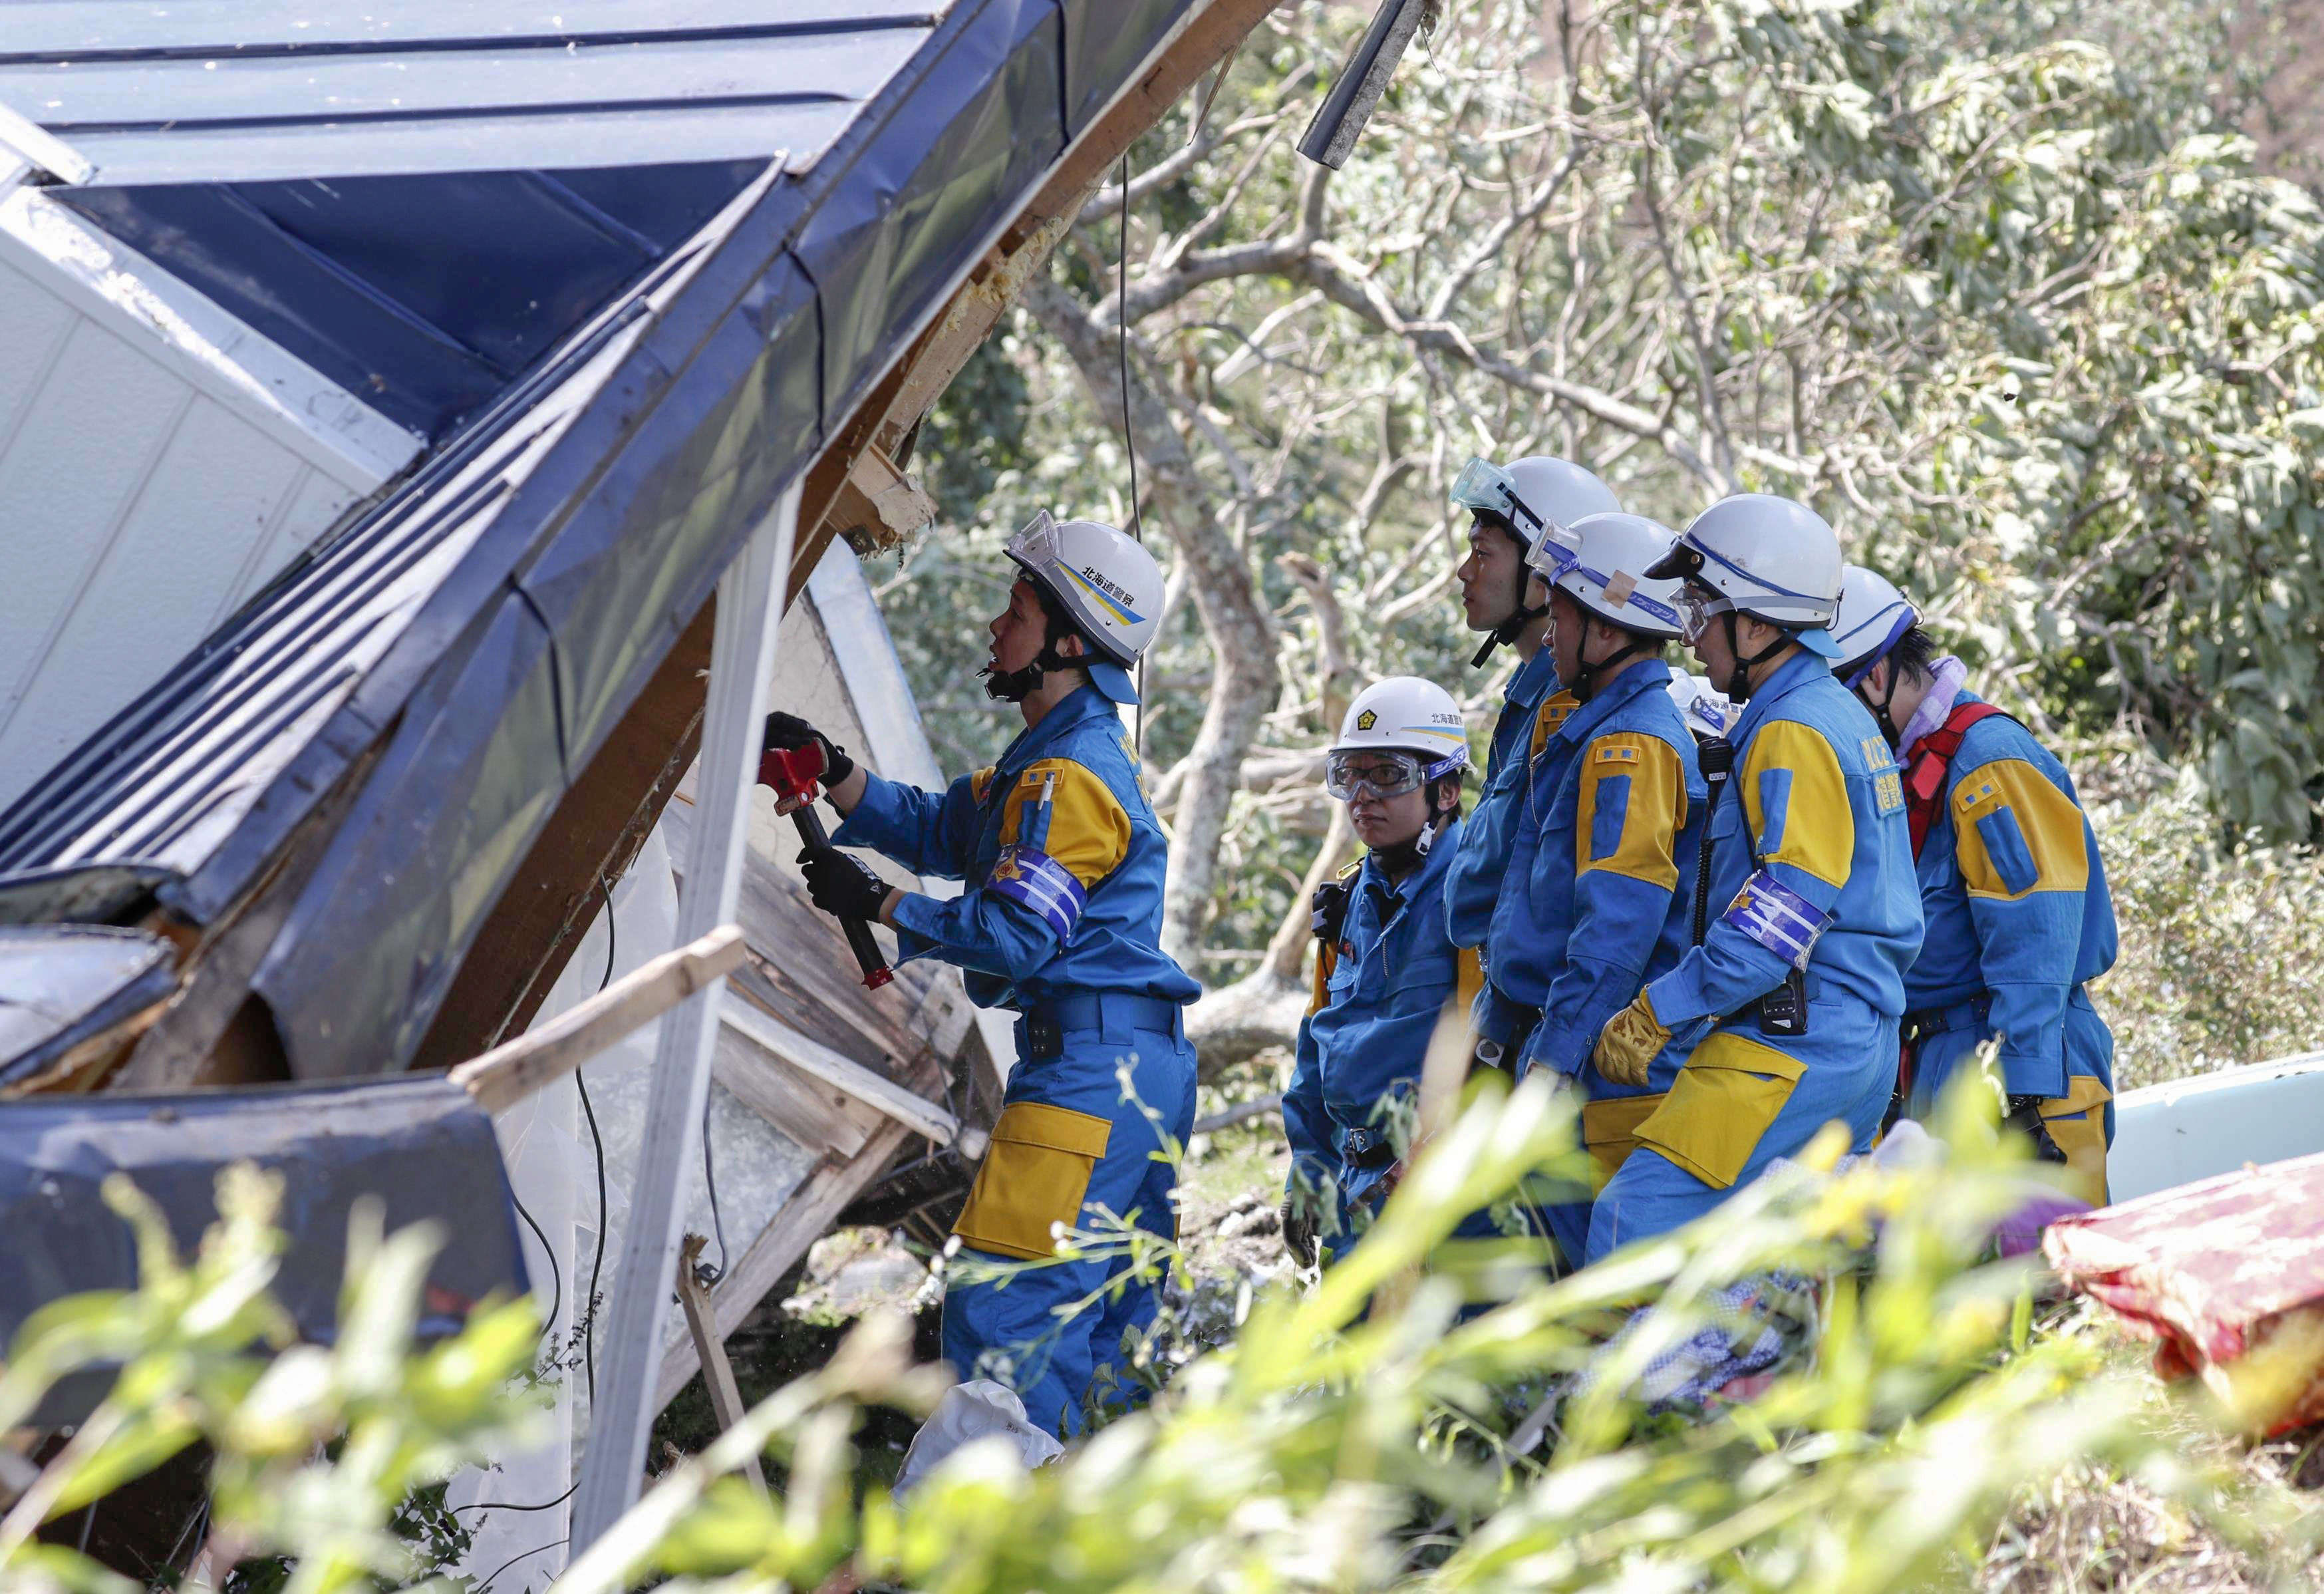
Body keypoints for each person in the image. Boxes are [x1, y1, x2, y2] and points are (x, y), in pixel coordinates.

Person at [767, 510, 1198, 1438]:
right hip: (1128, 1072)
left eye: (1015, 612)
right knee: (1099, 1333)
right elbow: (941, 830)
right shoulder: (1041, 766)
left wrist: (879, 903)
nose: (994, 631)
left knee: (1007, 1317)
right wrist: (835, 772)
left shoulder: (1069, 778)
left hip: (1089, 1076)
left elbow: (1012, 937)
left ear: (1068, 643)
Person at [1585, 496, 1922, 1260]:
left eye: (1703, 606)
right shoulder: (1831, 712)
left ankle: (1654, 1385)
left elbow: (1777, 919)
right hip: (1840, 1034)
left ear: (1760, 624)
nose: (1690, 632)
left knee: (1624, 1228)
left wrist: (1658, 1008)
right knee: (1776, 1259)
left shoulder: (1790, 731)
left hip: (1792, 1039)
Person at [1828, 565, 2117, 1204]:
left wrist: (2022, 1096)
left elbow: (2035, 936)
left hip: (2017, 1064)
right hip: (1944, 1058)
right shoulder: (1906, 769)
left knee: (2042, 1283)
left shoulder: (1987, 760)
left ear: (1874, 678)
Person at [1486, 513, 1705, 1261]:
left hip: (1601, 1068)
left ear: (1607, 632)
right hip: (1572, 1049)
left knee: (1601, 1292)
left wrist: (1550, 1064)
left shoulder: (1632, 745)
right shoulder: (1589, 726)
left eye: (1559, 613)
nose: (1546, 633)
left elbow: (1615, 930)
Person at [1279, 677, 1475, 1264]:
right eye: (1349, 776)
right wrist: (1308, 1172)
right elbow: (1318, 1042)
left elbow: (1499, 1045)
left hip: (1443, 1192)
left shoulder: (1478, 899)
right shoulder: (1343, 905)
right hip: (1354, 1189)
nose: (1363, 796)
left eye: (1386, 775)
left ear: (1444, 790)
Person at [1437, 454, 1622, 1070]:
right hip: (1511, 1018)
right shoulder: (1533, 697)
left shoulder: (1576, 705)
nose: (1465, 572)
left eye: (1483, 553)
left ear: (1545, 574)